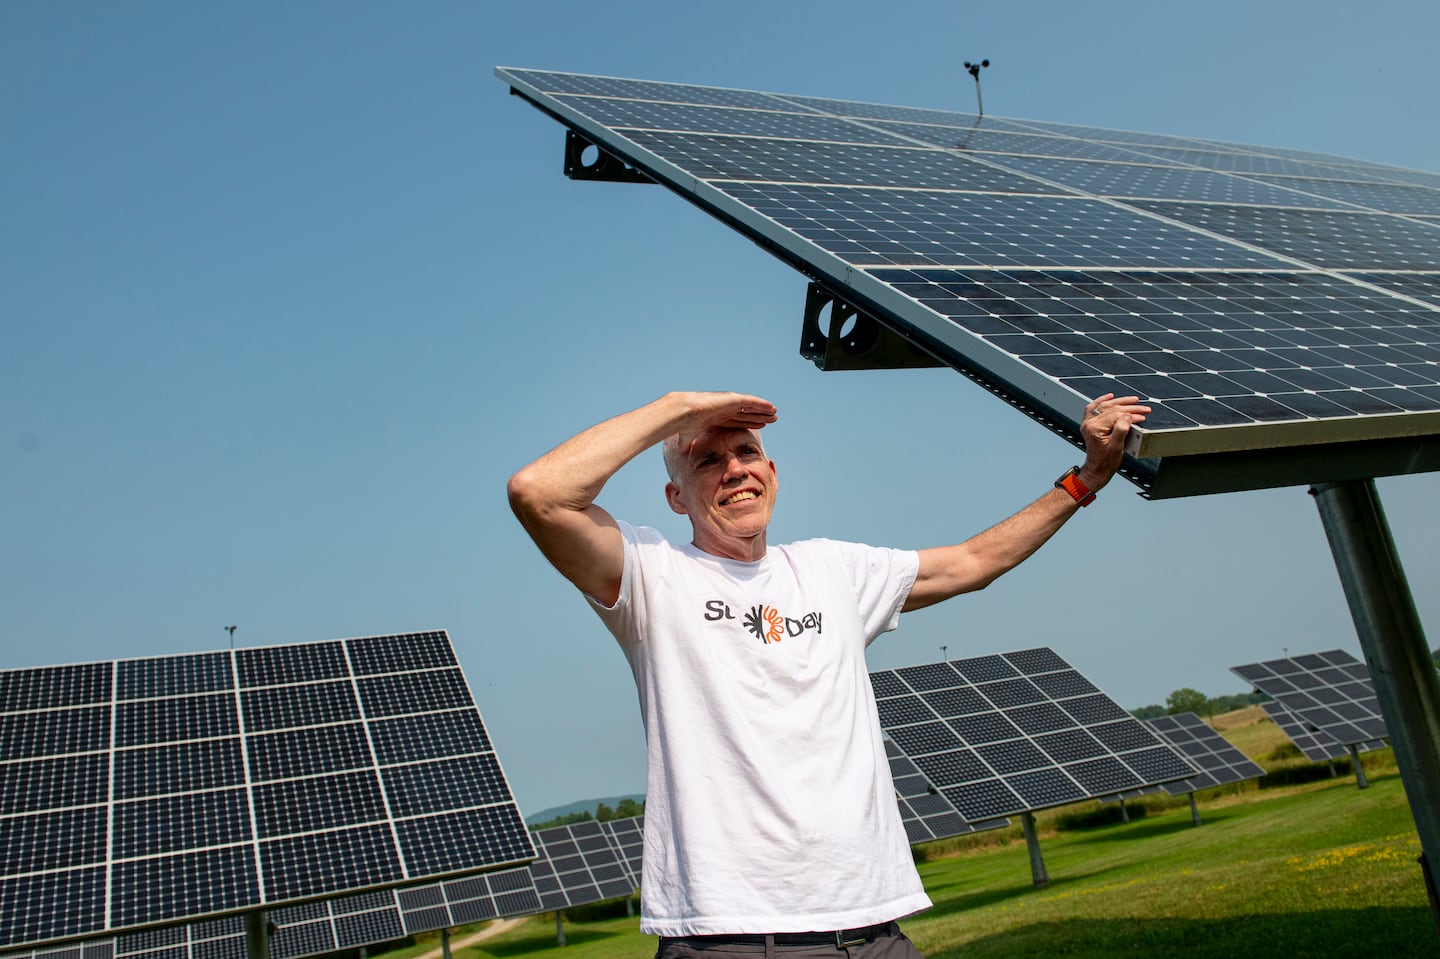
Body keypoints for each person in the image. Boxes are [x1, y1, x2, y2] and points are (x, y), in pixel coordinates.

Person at [507, 390, 1148, 958]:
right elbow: (539, 493)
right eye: (707, 460)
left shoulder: (832, 571)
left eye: (748, 452)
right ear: (676, 497)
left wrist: (1087, 477)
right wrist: (680, 409)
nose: (735, 470)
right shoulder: (652, 576)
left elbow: (973, 562)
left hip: (874, 930)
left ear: (773, 473)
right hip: (730, 938)